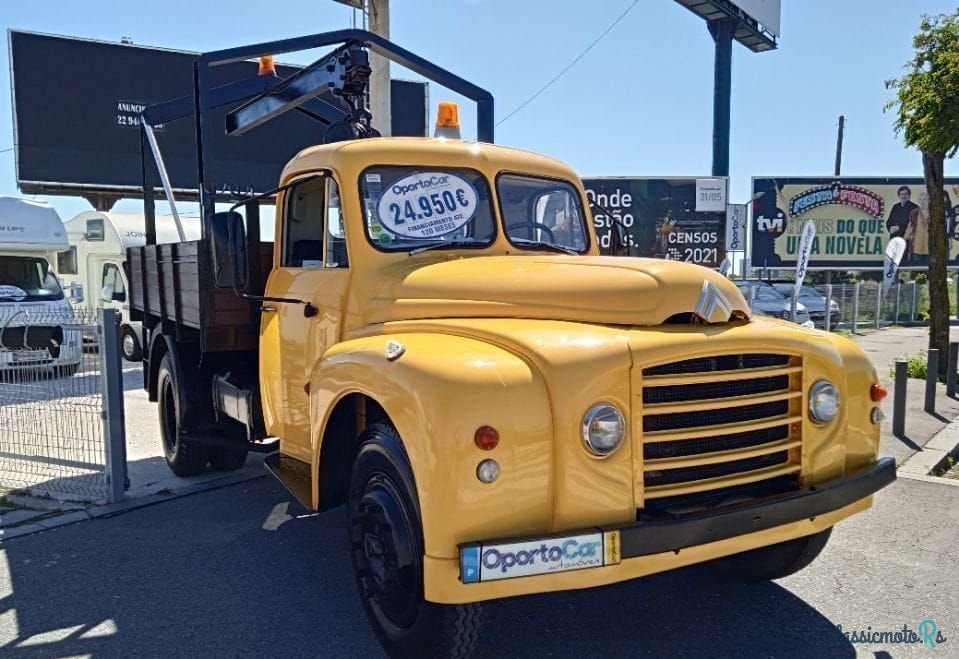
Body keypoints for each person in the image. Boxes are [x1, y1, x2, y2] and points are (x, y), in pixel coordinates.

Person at [907, 191, 930, 265]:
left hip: (930, 247)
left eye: (924, 199)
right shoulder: (914, 212)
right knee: (917, 269)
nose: (922, 202)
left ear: (929, 200)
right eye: (920, 199)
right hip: (917, 246)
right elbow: (910, 227)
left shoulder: (934, 212)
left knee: (930, 269)